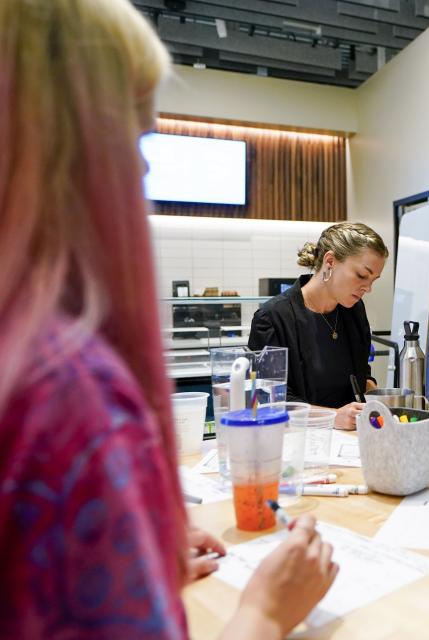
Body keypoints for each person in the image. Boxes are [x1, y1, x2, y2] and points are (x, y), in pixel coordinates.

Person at [0, 1, 337, 638]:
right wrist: (264, 613)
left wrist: (131, 566)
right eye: (136, 138)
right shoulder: (67, 394)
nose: (146, 170)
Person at [248, 223, 387, 430]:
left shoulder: (354, 311)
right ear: (330, 261)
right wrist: (333, 417)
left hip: (350, 442)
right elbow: (267, 400)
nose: (368, 288)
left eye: (373, 280)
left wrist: (379, 398)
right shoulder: (272, 319)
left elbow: (360, 374)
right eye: (361, 275)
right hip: (295, 442)